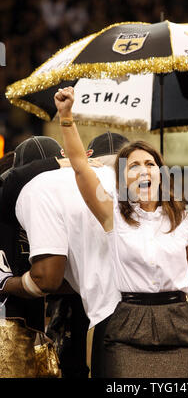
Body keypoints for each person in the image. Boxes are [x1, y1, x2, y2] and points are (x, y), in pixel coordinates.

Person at [55, 86, 188, 378]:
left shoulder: (186, 219)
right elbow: (79, 167)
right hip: (127, 324)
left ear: (161, 174)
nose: (143, 170)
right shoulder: (111, 213)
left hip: (179, 324)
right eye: (133, 166)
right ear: (123, 179)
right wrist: (66, 116)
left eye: (150, 164)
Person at [2, 131, 129, 377]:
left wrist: (8, 284)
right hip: (13, 323)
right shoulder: (17, 199)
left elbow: (50, 280)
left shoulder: (59, 197)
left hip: (80, 319)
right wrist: (62, 163)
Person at [0, 136, 67, 378]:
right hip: (6, 324)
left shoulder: (54, 211)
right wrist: (63, 163)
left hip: (35, 327)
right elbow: (15, 179)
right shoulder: (6, 196)